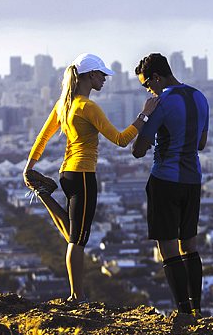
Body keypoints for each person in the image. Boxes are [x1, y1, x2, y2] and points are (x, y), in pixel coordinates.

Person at [24, 53, 159, 303]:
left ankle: (44, 194)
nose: (105, 79)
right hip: (84, 174)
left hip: (66, 174)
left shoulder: (63, 104)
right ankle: (77, 296)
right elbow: (120, 139)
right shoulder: (87, 106)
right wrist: (145, 114)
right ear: (89, 76)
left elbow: (42, 138)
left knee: (73, 232)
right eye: (102, 74)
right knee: (78, 240)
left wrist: (29, 167)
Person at [132, 53, 209, 317]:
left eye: (146, 84)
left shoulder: (161, 102)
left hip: (165, 180)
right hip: (193, 179)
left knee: (167, 244)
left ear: (156, 77)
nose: (147, 89)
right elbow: (201, 143)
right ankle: (197, 308)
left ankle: (183, 312)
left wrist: (145, 115)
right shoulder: (200, 97)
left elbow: (138, 149)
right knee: (190, 244)